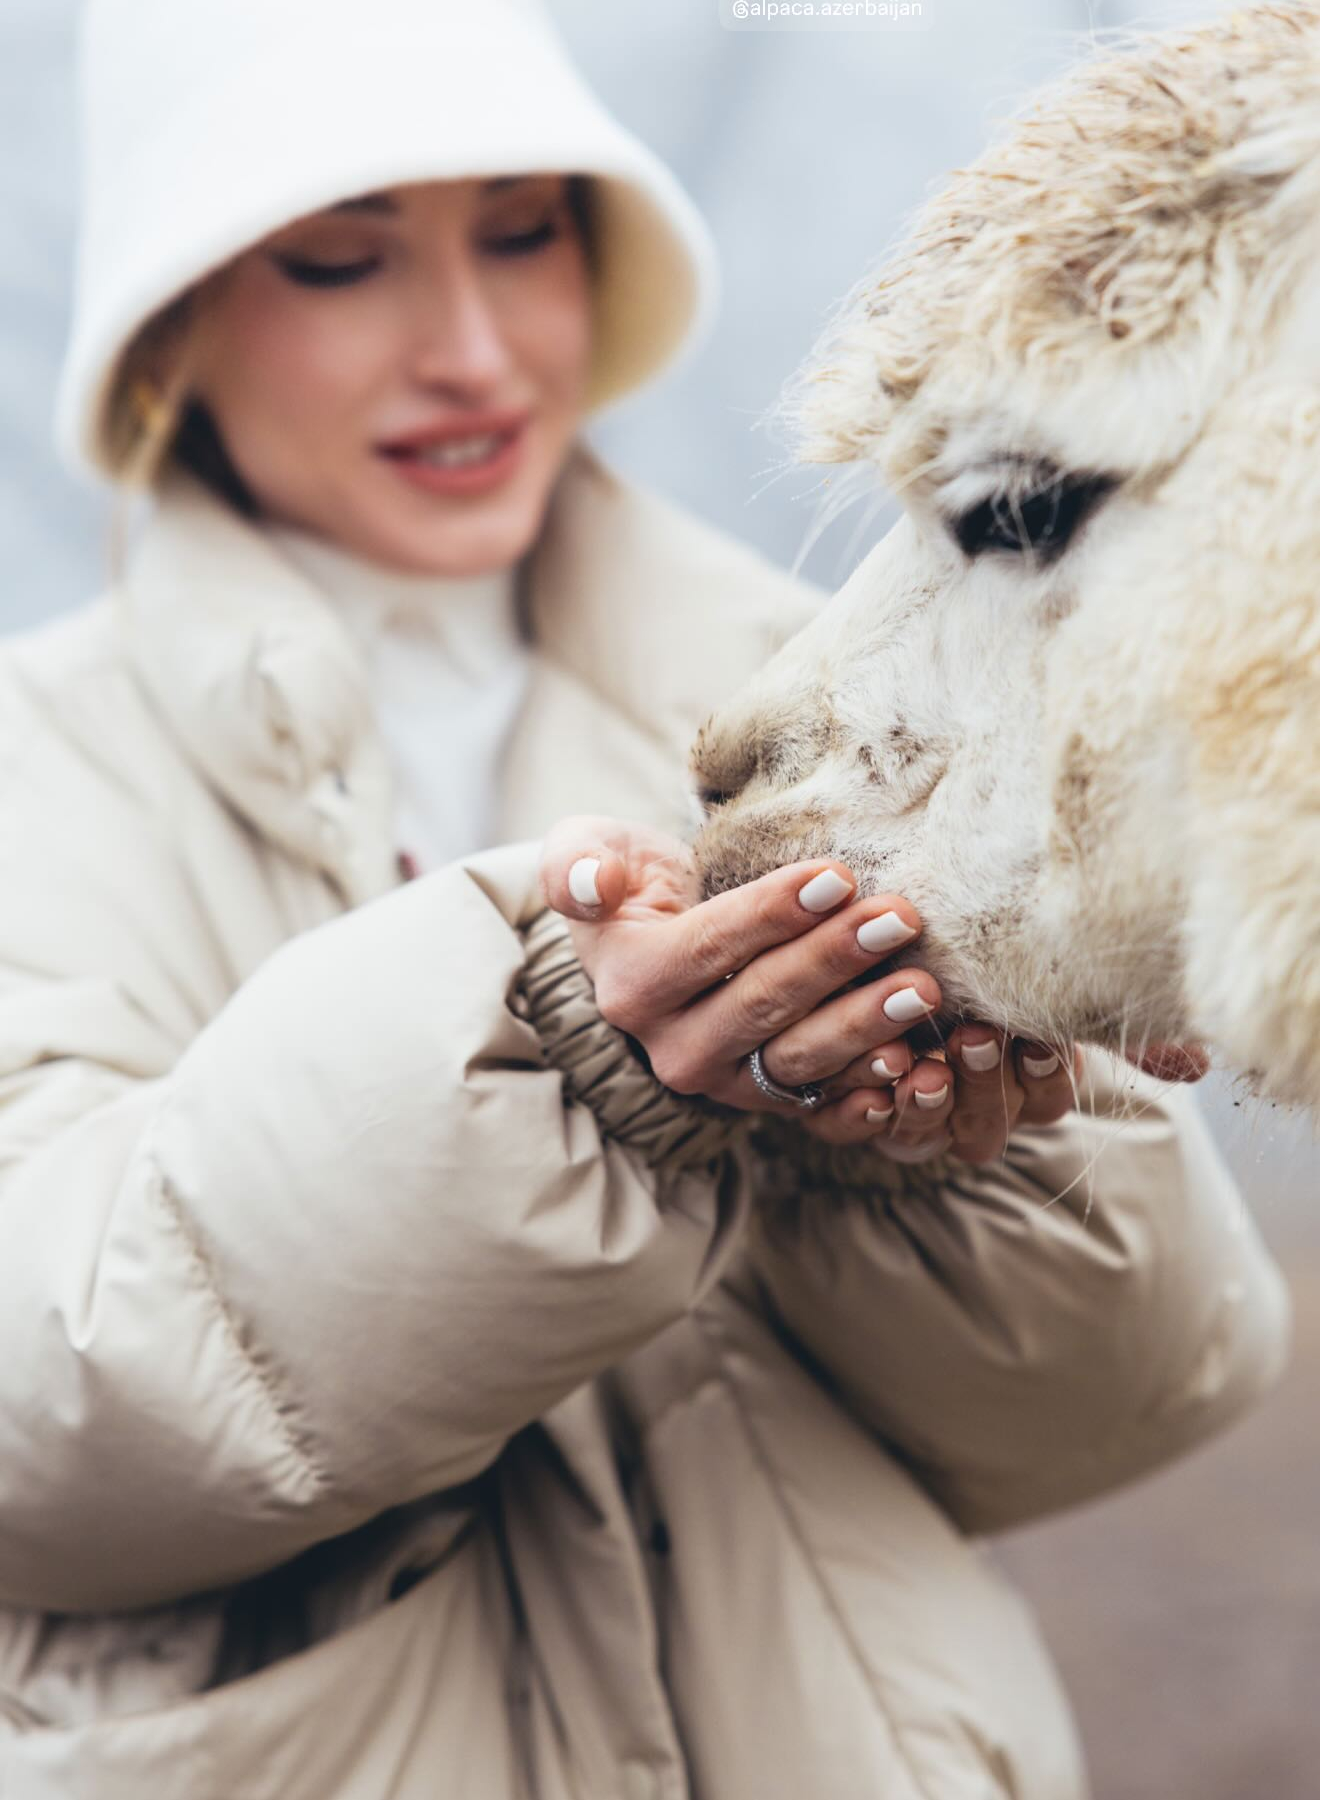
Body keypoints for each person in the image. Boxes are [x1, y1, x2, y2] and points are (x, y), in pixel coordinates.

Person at [0, 1, 1289, 1796]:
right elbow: (36, 1439)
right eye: (339, 262)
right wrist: (560, 1077)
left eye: (524, 234)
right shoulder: (29, 775)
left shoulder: (832, 690)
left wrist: (927, 1150)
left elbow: (1146, 1389)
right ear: (168, 328)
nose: (467, 348)